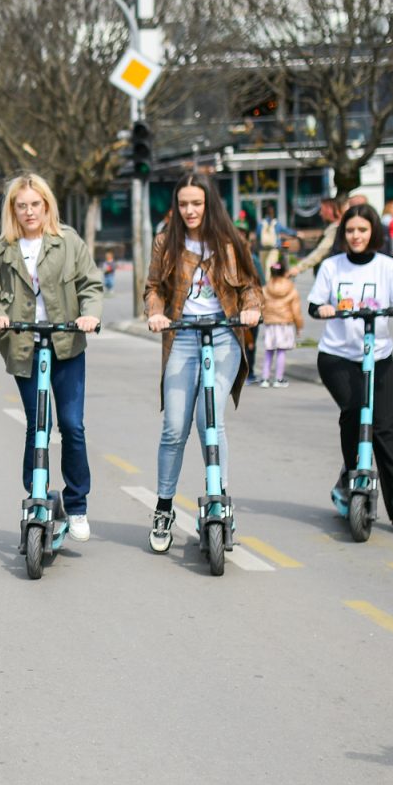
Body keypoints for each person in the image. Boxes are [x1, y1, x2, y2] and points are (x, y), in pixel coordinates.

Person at [0, 172, 104, 541]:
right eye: (22, 205)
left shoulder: (68, 242)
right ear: (13, 209)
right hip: (24, 345)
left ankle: (76, 505)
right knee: (37, 425)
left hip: (66, 344)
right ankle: (37, 495)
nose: (29, 212)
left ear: (47, 206)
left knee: (72, 425)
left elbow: (90, 284)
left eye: (35, 205)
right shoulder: (0, 249)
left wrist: (89, 314)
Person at [142, 174, 262, 554]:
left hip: (224, 335)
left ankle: (219, 501)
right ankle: (163, 509)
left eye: (196, 203)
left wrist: (253, 309)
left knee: (210, 420)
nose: (190, 211)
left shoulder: (231, 242)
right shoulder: (166, 241)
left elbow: (251, 287)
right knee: (175, 426)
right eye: (183, 204)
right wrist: (156, 313)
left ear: (209, 204)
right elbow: (153, 289)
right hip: (182, 336)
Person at [309, 203, 393, 525]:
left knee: (383, 426)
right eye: (351, 230)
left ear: (373, 233)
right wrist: (324, 309)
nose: (356, 236)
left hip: (378, 356)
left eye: (362, 230)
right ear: (344, 233)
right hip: (337, 357)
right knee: (356, 410)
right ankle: (352, 474)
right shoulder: (333, 266)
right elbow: (315, 303)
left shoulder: (386, 266)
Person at [257, 260, 303, 387]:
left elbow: (260, 306)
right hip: (285, 324)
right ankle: (278, 378)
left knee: (268, 351)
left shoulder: (266, 288)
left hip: (270, 324)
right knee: (281, 352)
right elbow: (296, 310)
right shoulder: (291, 288)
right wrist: (299, 326)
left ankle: (265, 378)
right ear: (285, 272)